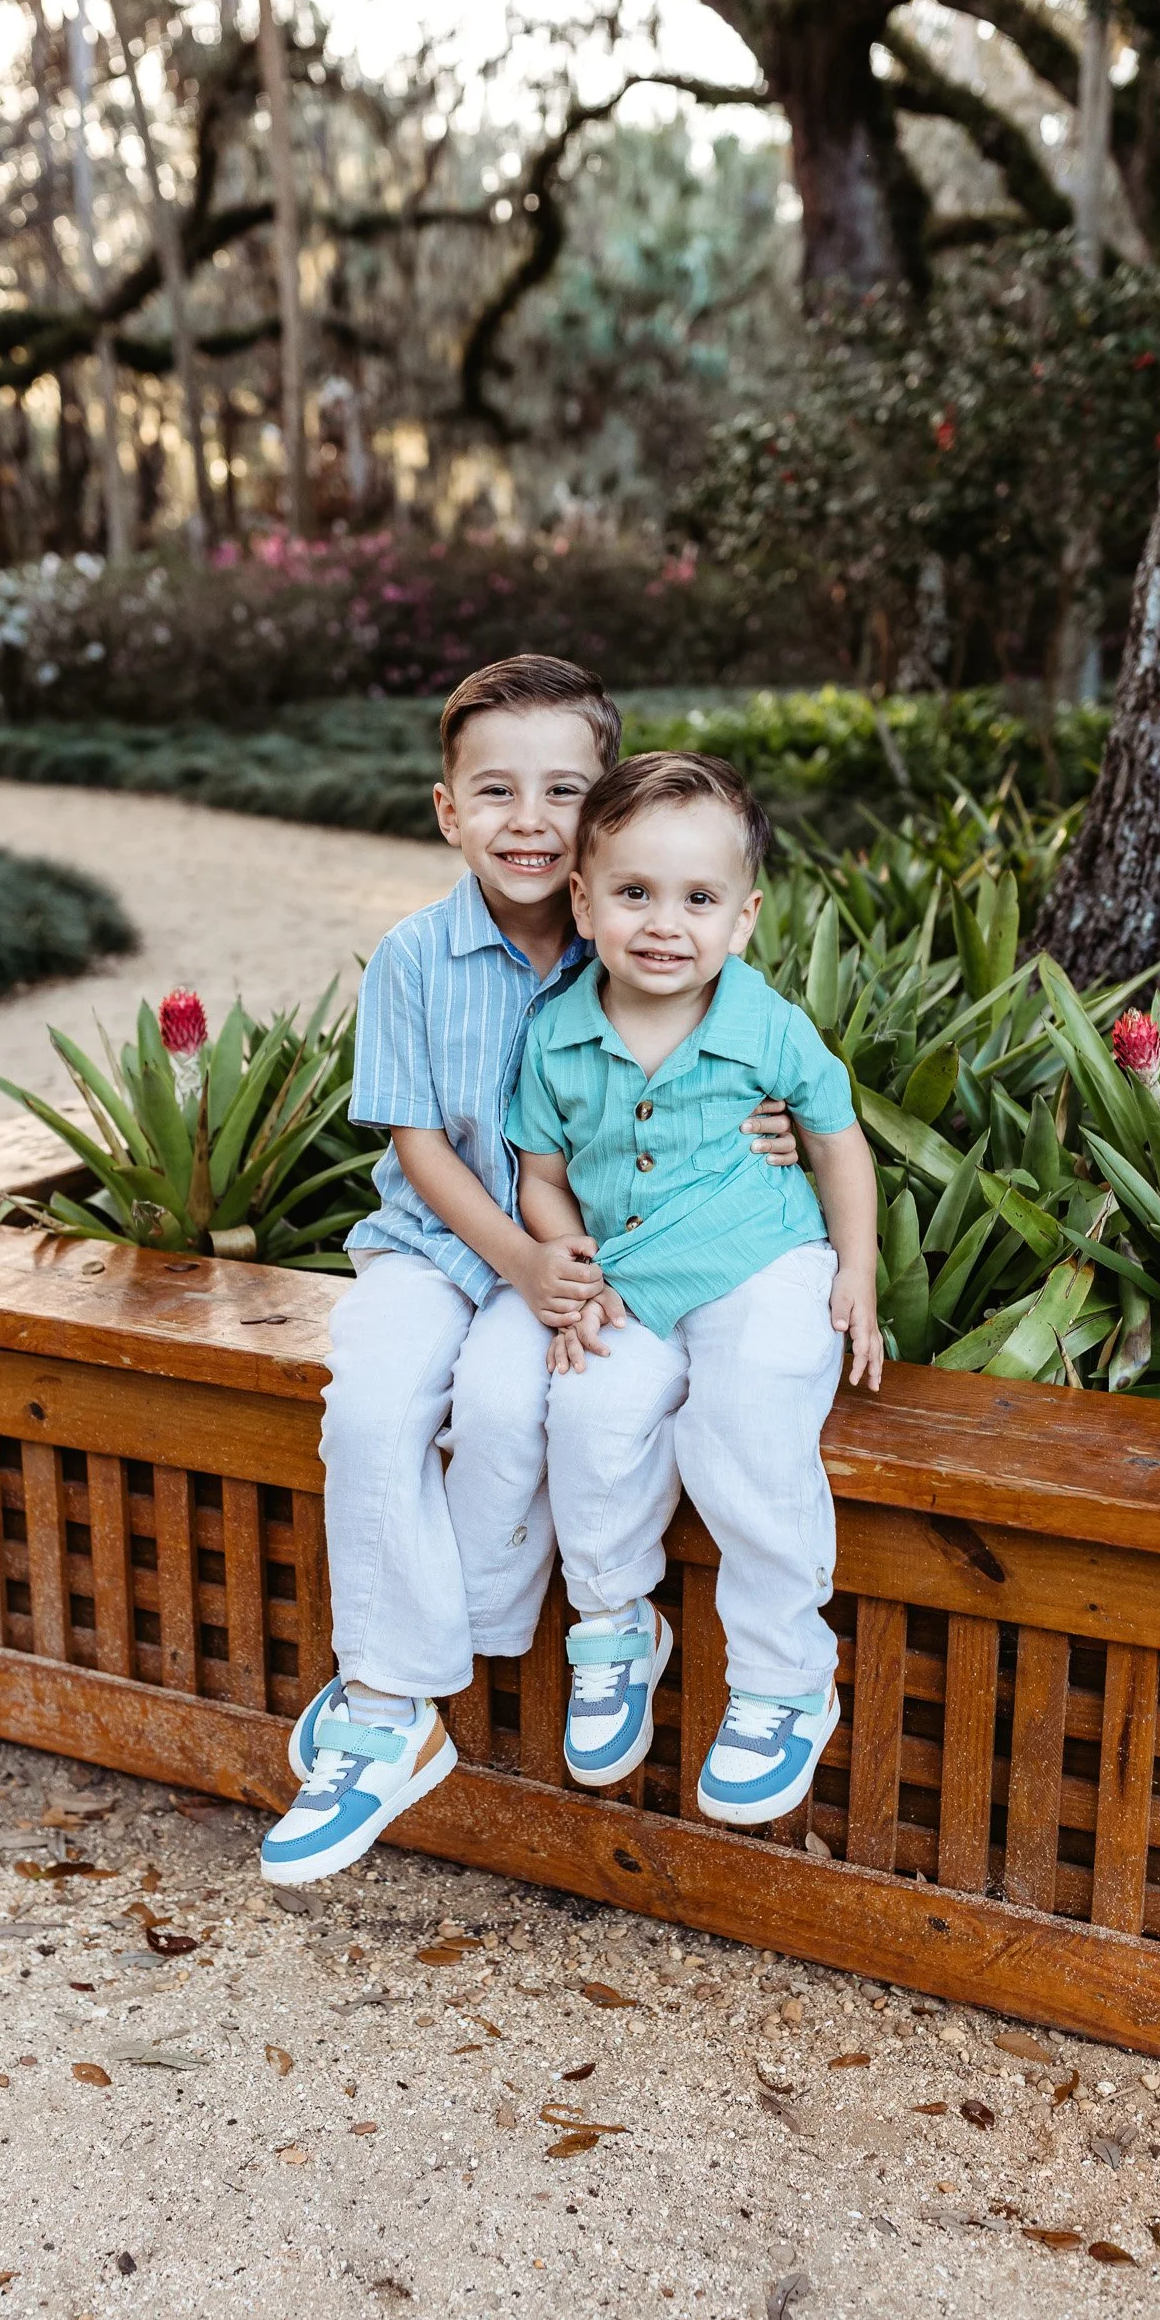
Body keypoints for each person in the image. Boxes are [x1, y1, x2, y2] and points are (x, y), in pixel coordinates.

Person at [261, 665, 801, 1884]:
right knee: (373, 1406)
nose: (526, 817)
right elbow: (413, 1142)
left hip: (583, 1259)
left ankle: (465, 1645)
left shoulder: (634, 931)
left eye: (562, 789)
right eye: (493, 789)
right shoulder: (412, 957)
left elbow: (740, 1070)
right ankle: (392, 1701)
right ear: (446, 810)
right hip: (438, 1242)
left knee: (510, 1405)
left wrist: (765, 1125)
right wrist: (512, 1253)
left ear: (600, 806)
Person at [508, 749, 884, 1827]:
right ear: (581, 902)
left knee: (740, 1433)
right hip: (627, 1287)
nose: (663, 923)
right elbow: (539, 1177)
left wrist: (853, 1269)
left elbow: (836, 1140)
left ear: (744, 916)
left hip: (760, 1266)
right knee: (584, 1412)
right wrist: (568, 1263)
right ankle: (616, 1621)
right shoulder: (557, 1034)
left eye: (697, 899)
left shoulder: (763, 1023)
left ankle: (782, 1671)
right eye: (632, 893)